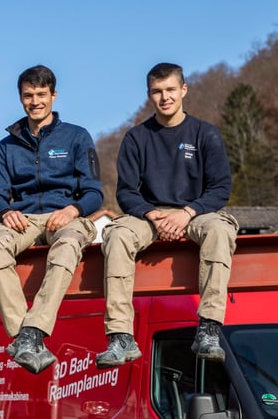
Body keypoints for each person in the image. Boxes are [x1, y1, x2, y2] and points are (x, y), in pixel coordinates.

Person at [96, 62, 238, 369]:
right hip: (150, 215)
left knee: (221, 230)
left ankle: (210, 328)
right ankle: (120, 335)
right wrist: (154, 215)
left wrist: (187, 213)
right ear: (149, 95)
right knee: (117, 234)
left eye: (171, 89)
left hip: (196, 212)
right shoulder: (136, 138)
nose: (165, 97)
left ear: (183, 90)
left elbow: (220, 188)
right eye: (158, 92)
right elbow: (125, 192)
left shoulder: (205, 134)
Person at [0, 64, 103, 375]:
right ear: (20, 98)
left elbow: (93, 193)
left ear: (54, 95)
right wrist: (6, 212)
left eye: (41, 94)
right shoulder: (6, 146)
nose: (35, 101)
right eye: (28, 95)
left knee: (67, 247)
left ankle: (34, 330)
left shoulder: (77, 137)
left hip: (66, 216)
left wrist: (72, 210)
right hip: (21, 218)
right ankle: (23, 335)